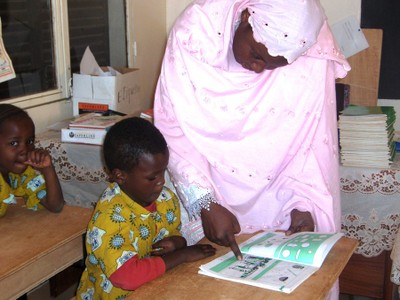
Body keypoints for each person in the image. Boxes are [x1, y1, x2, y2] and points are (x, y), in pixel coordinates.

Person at [154, 0, 350, 261]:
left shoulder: (308, 44)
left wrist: (304, 205)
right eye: (257, 55)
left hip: (280, 205)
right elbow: (173, 128)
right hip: (205, 190)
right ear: (247, 16)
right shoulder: (193, 35)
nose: (258, 68)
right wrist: (205, 202)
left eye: (272, 66)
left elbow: (310, 144)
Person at [76, 117, 216, 300]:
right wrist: (182, 255)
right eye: (152, 177)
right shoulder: (109, 219)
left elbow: (174, 232)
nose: (161, 182)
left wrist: (176, 243)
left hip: (155, 288)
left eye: (163, 171)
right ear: (120, 176)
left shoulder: (165, 199)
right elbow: (127, 277)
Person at [0, 104, 64, 216]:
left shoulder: (23, 175)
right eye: (14, 143)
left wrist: (48, 169)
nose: (24, 150)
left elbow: (55, 206)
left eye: (29, 141)